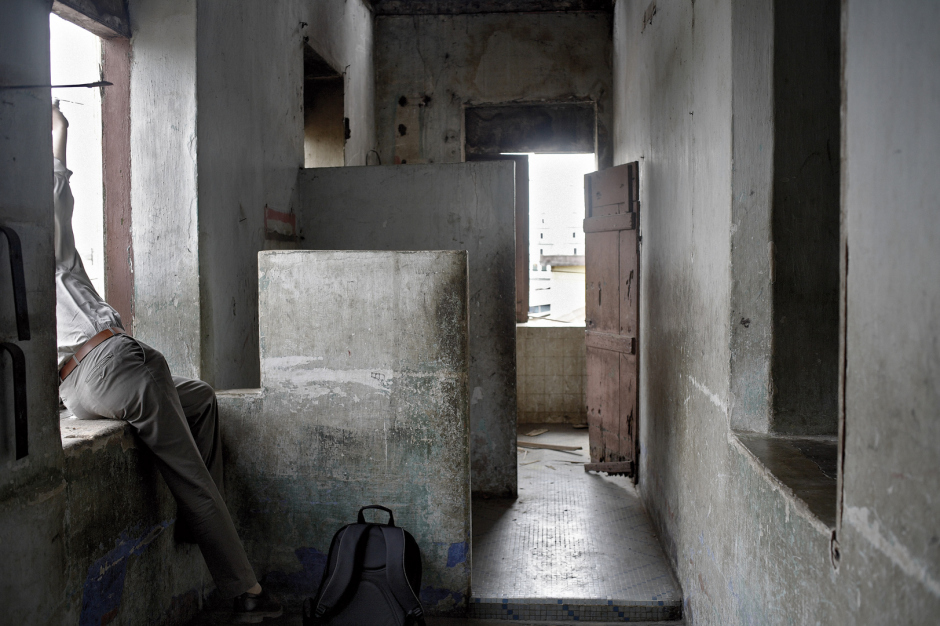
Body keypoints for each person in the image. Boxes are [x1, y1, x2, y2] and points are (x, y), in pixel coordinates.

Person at [52, 101, 282, 622]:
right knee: (193, 475)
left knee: (199, 397)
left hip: (77, 390)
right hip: (111, 364)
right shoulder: (47, 252)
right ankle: (246, 590)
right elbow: (54, 193)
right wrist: (59, 131)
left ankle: (193, 520)